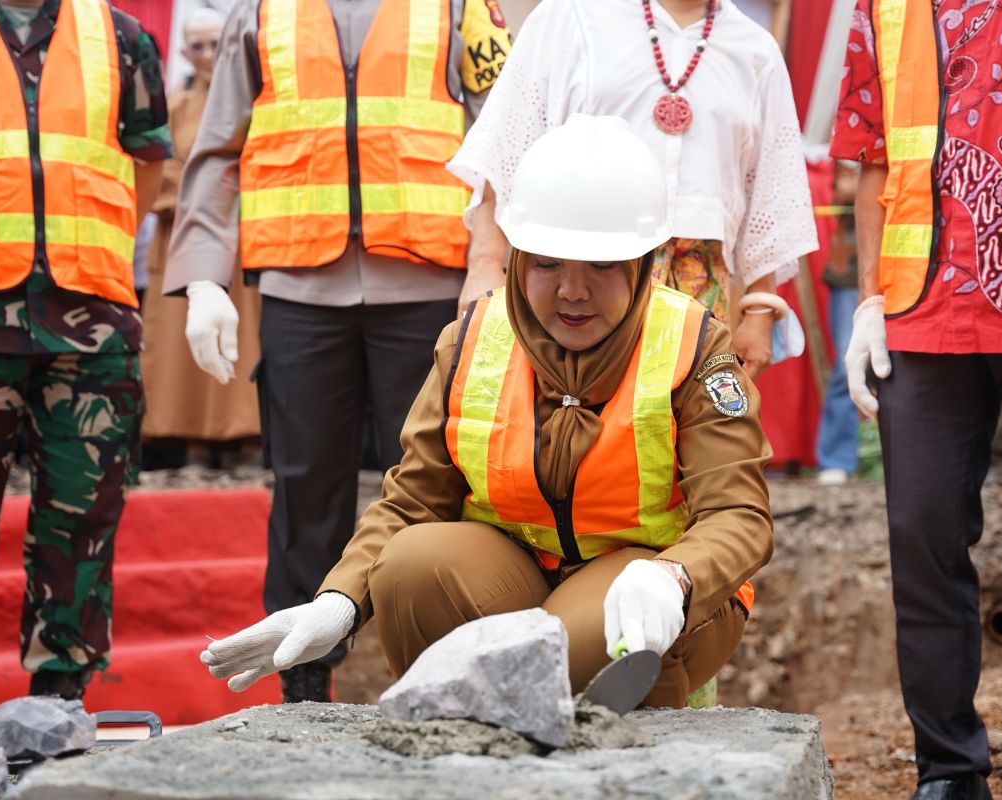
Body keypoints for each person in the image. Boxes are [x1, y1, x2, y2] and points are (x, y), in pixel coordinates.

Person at [199, 114, 772, 711]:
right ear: (518, 257)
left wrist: (675, 576)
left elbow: (739, 515)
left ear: (644, 263)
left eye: (601, 266)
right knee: (410, 566)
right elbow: (413, 501)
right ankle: (465, 745)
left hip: (643, 584)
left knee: (582, 640)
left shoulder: (692, 345)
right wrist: (338, 602)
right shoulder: (471, 339)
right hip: (511, 573)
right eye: (547, 263)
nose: (572, 290)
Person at [165, 0, 514, 702]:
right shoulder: (260, 13)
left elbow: (505, 136)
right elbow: (220, 149)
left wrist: (490, 262)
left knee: (443, 486)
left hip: (431, 288)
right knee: (303, 489)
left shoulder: (461, 9)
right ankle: (301, 688)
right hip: (301, 292)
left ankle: (450, 681)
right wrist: (203, 275)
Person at [832, 2, 1002, 798]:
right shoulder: (881, 9)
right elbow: (874, 159)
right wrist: (868, 302)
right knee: (922, 544)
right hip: (924, 312)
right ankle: (948, 773)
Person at [0, 0, 169, 760]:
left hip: (90, 320)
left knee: (82, 514)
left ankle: (62, 696)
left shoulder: (122, 37)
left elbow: (146, 163)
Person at [447, 0, 818, 378]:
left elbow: (769, 193)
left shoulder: (756, 49)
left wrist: (758, 312)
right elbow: (506, 148)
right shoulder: (570, 15)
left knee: (684, 429)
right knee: (568, 422)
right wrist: (484, 266)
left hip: (701, 290)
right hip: (575, 282)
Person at [139, 7, 263, 462]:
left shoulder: (258, 100)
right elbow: (158, 169)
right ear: (186, 54)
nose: (209, 54)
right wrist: (199, 194)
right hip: (182, 238)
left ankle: (243, 436)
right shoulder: (174, 107)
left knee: (243, 338)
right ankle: (188, 437)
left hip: (245, 241)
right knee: (178, 346)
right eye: (198, 46)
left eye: (216, 43)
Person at [814, 161, 860, 486]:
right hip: (852, 268)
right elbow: (843, 187)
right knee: (846, 364)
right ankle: (837, 458)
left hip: (910, 265)